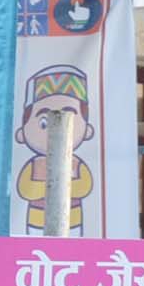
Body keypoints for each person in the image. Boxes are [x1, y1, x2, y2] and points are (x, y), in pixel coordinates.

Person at [13, 65, 96, 234]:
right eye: (43, 123)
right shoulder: (34, 165)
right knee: (34, 245)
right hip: (36, 221)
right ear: (22, 132)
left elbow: (86, 186)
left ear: (88, 130)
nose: (53, 130)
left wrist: (54, 187)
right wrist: (55, 187)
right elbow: (24, 189)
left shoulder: (76, 163)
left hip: (73, 221)